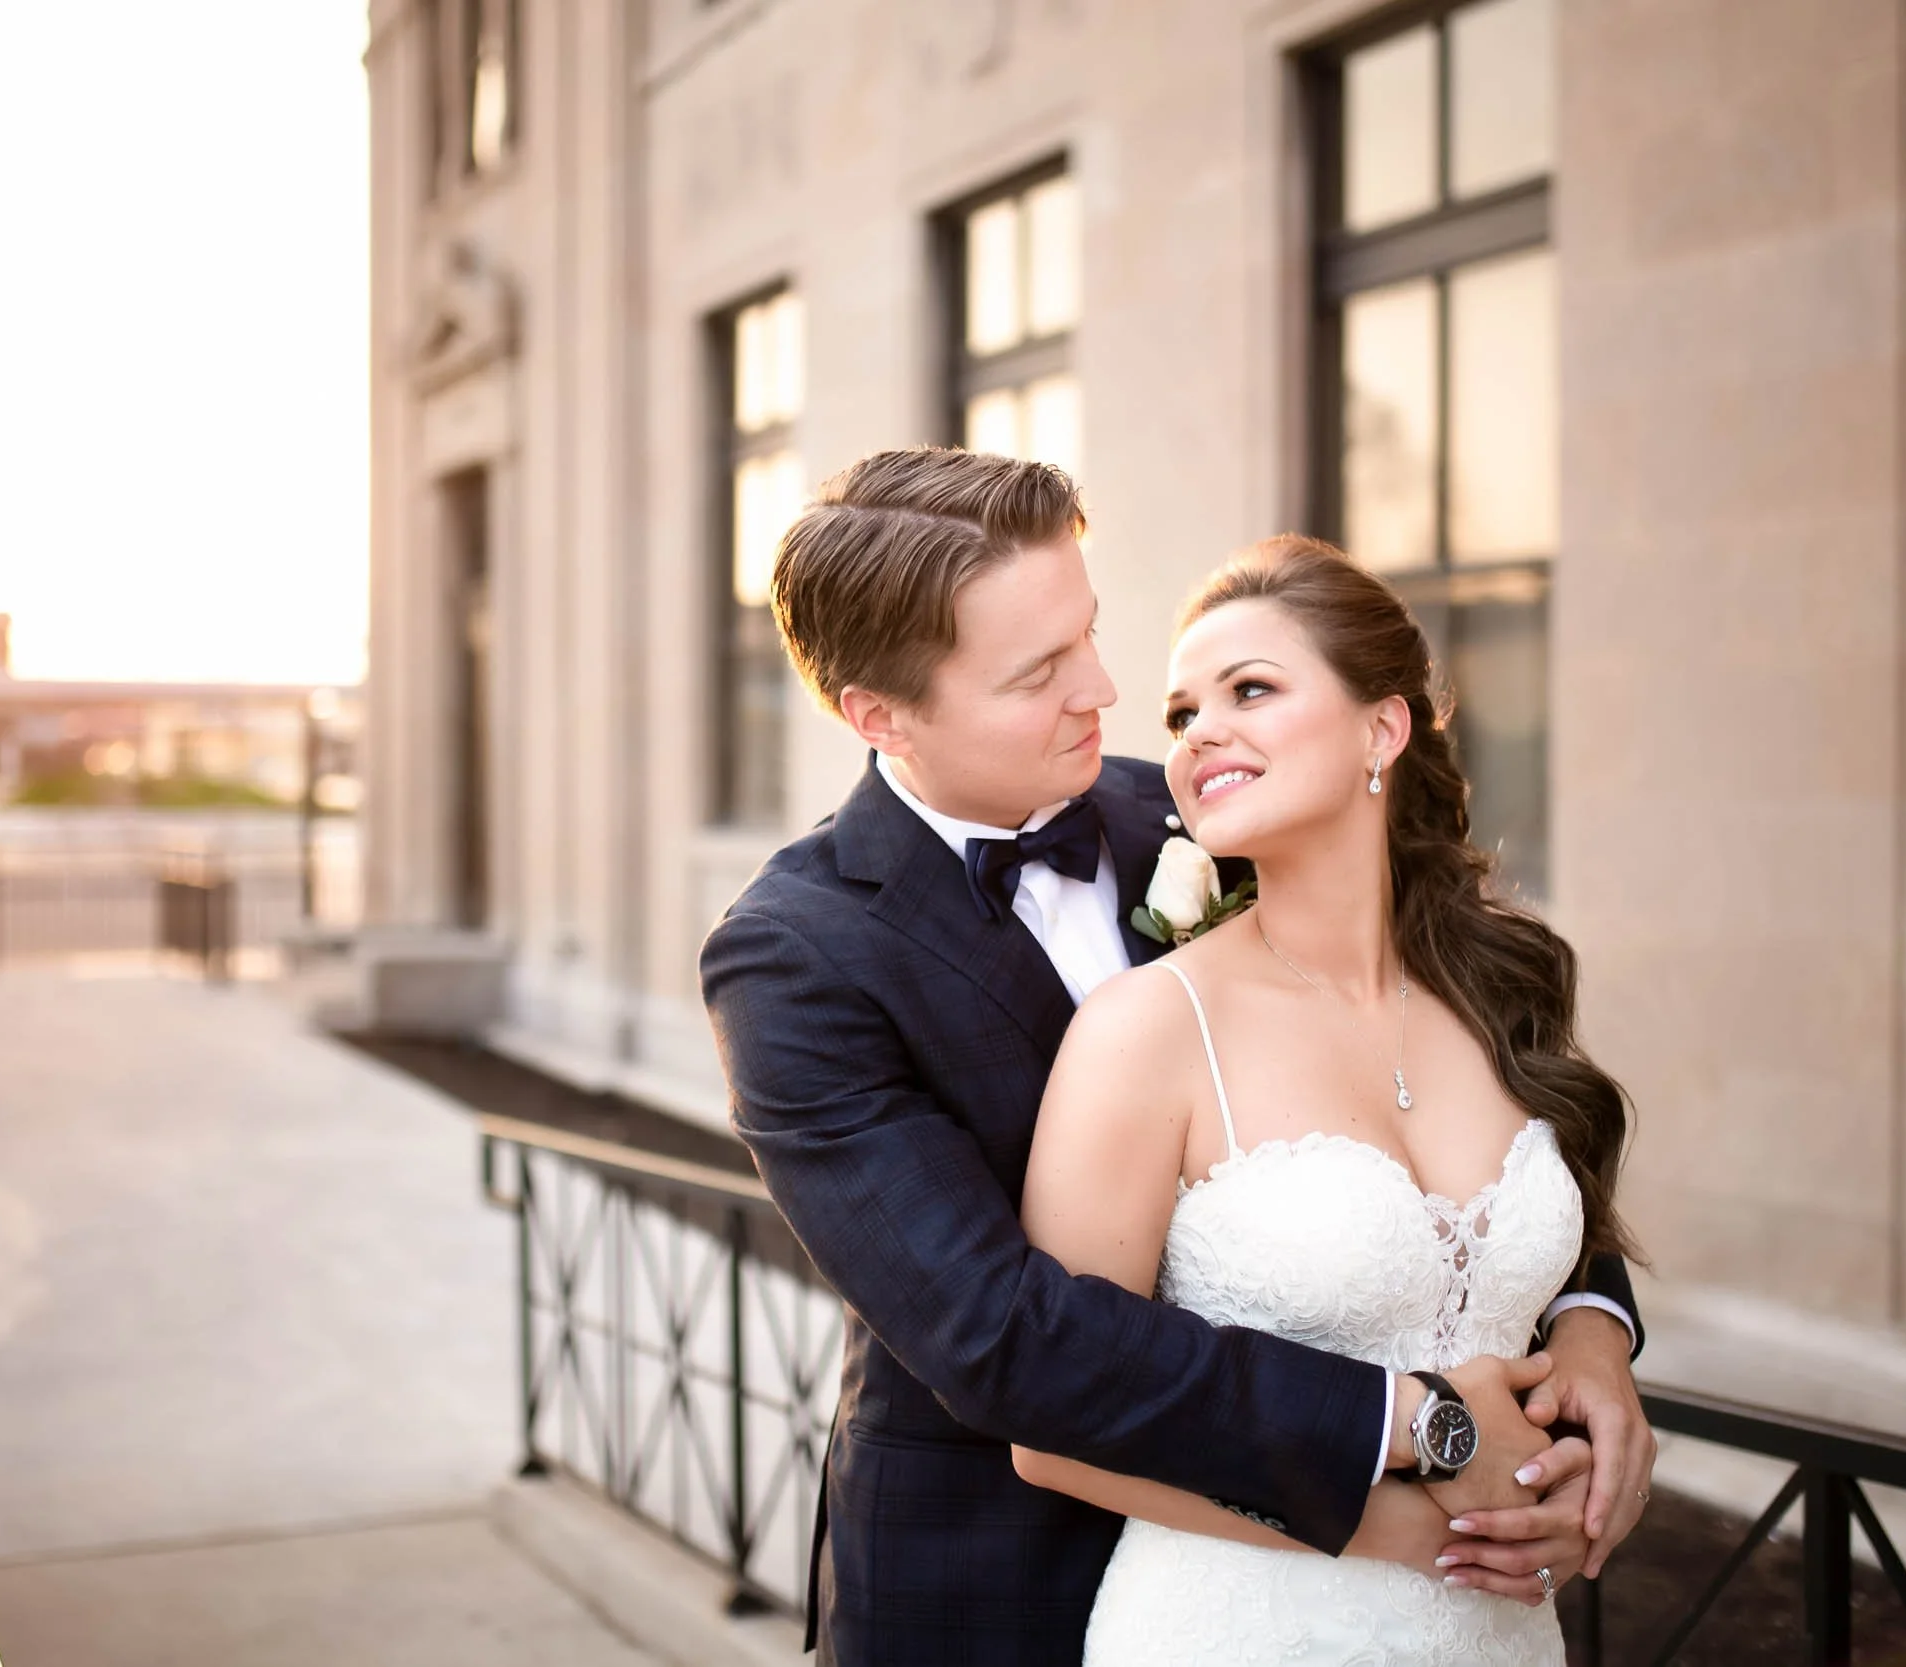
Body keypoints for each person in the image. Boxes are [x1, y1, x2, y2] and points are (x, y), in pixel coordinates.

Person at [699, 449, 1654, 1666]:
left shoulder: (1209, 804)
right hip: (998, 1582)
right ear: (879, 715)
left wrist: (1589, 1334)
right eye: (1038, 672)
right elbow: (1003, 1334)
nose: (1102, 689)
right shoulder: (795, 955)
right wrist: (1417, 1433)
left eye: (1087, 632)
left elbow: (1479, 1116)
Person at [1009, 534, 1640, 1663]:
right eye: (1182, 711)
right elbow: (1056, 1426)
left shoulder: (1505, 984)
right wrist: (1395, 1528)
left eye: (1250, 689)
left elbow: (1555, 1267)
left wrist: (1595, 1368)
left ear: (1380, 730)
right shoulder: (1147, 1027)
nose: (1200, 731)